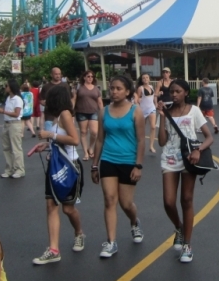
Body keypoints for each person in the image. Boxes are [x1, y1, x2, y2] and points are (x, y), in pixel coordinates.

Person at [157, 79, 213, 264]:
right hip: (169, 159)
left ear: (186, 93)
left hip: (189, 158)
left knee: (186, 199)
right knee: (168, 201)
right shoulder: (166, 111)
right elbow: (161, 141)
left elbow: (209, 137)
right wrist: (162, 116)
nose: (174, 94)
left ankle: (187, 245)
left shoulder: (194, 110)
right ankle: (179, 227)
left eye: (178, 91)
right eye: (172, 91)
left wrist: (198, 150)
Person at [92, 75, 145, 258]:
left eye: (118, 88)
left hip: (128, 161)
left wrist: (138, 165)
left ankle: (134, 222)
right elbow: (99, 139)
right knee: (109, 199)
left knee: (126, 203)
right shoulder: (103, 112)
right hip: (108, 159)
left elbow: (141, 140)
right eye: (112, 88)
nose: (114, 92)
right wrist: (94, 165)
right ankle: (111, 242)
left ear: (127, 91)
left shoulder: (135, 111)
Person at [33, 85, 85, 264]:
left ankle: (79, 233)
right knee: (51, 205)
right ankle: (54, 249)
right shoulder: (57, 117)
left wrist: (49, 135)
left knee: (68, 208)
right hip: (56, 164)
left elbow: (74, 140)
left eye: (48, 98)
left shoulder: (65, 114)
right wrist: (47, 144)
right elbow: (61, 140)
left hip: (69, 166)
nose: (45, 102)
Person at [0, 80, 24, 178]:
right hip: (6, 123)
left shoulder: (17, 99)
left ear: (11, 87)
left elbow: (16, 114)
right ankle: (9, 169)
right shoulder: (8, 98)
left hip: (14, 124)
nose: (5, 88)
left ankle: (19, 169)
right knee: (6, 148)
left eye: (6, 86)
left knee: (16, 148)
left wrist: (3, 111)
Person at [75, 70, 101, 162]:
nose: (90, 78)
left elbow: (99, 101)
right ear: (84, 77)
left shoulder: (96, 88)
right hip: (81, 111)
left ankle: (90, 147)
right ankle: (85, 152)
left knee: (94, 132)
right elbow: (74, 99)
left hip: (93, 111)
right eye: (88, 76)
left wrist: (102, 112)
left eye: (92, 76)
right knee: (83, 132)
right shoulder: (79, 88)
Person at [134, 73, 158, 154]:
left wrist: (156, 102)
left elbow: (153, 96)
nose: (145, 79)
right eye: (143, 78)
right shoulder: (140, 88)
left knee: (153, 127)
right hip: (143, 110)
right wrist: (138, 101)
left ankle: (151, 146)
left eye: (147, 77)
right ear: (142, 80)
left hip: (151, 108)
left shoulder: (151, 87)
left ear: (149, 79)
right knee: (141, 129)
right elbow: (137, 98)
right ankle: (139, 145)